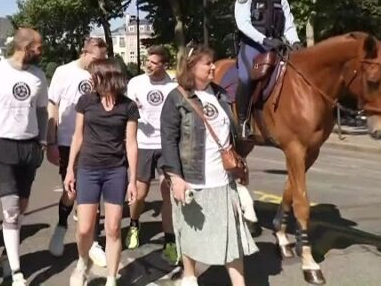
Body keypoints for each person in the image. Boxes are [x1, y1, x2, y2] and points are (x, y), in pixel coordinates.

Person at [160, 45, 258, 286]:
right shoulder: (176, 98)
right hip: (193, 180)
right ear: (192, 66)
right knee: (190, 232)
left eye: (213, 62)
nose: (214, 67)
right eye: (208, 63)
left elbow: (229, 134)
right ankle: (189, 275)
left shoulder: (220, 94)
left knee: (232, 237)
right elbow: (168, 141)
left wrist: (239, 163)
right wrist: (175, 178)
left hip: (223, 180)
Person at [0, 28, 49, 286]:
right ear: (26, 47)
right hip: (2, 147)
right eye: (38, 47)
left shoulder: (38, 76)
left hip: (29, 148)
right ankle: (17, 274)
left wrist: (42, 141)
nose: (41, 51)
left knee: (22, 207)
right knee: (11, 210)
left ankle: (8, 255)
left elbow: (42, 111)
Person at [64, 58, 138, 286]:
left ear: (107, 76)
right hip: (88, 169)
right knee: (84, 228)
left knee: (114, 228)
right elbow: (78, 136)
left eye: (93, 74)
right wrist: (70, 169)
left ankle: (111, 278)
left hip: (116, 170)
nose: (90, 78)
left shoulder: (128, 106)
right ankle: (82, 262)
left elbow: (131, 143)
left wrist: (133, 180)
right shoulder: (86, 101)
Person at [47, 37, 108, 268]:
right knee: (71, 191)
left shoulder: (101, 73)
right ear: (85, 52)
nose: (100, 62)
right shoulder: (64, 72)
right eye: (97, 58)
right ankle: (62, 226)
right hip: (68, 141)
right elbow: (52, 106)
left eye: (103, 59)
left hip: (95, 141)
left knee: (93, 192)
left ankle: (93, 241)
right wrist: (51, 141)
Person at [234, 0, 302, 137]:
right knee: (246, 77)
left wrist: (295, 41)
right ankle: (242, 122)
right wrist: (264, 40)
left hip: (277, 45)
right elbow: (243, 25)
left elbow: (289, 25)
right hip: (252, 47)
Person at [124, 45, 178, 265]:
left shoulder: (173, 86)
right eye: (147, 60)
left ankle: (170, 240)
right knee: (140, 193)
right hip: (143, 145)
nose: (148, 65)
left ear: (164, 65)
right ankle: (134, 224)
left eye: (154, 62)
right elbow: (126, 112)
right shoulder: (135, 83)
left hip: (167, 146)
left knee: (169, 194)